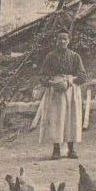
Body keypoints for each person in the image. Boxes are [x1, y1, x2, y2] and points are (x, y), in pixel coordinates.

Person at [38, 31, 88, 160]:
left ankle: (71, 149)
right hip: (55, 92)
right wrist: (52, 83)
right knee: (56, 119)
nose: (62, 41)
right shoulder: (50, 57)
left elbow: (83, 76)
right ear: (56, 40)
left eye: (65, 39)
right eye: (60, 39)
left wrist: (70, 81)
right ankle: (56, 150)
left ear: (69, 41)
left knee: (72, 119)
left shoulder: (75, 57)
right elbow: (42, 76)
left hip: (71, 90)